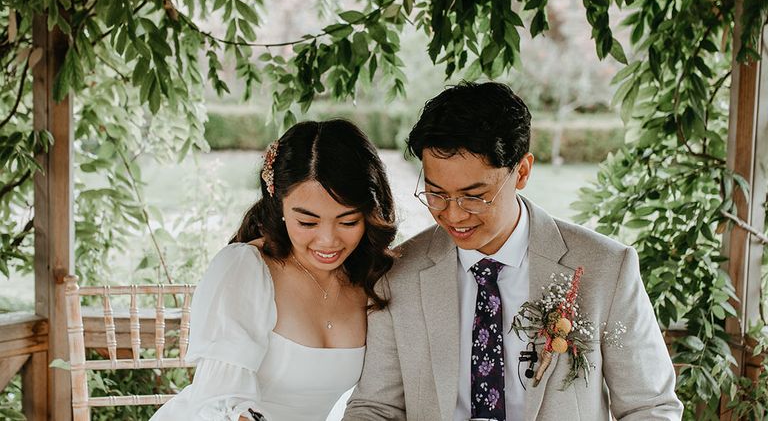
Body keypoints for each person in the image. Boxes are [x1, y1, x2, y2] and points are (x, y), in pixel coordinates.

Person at [343, 81, 683, 421]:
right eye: (436, 193)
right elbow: (375, 407)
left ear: (522, 171)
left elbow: (650, 407)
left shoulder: (606, 268)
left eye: (474, 195)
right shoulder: (397, 275)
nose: (454, 214)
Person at [151, 119, 397, 421]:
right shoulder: (246, 269)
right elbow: (222, 405)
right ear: (278, 206)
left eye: (348, 222)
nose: (328, 240)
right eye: (307, 222)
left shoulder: (371, 278)